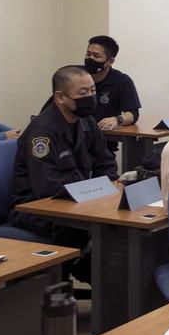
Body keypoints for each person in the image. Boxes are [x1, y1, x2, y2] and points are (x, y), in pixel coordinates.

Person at [9, 65, 118, 282]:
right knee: (82, 231)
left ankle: (93, 275)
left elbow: (105, 161)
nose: (90, 97)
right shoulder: (42, 132)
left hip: (77, 202)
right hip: (37, 209)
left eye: (93, 91)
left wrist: (108, 185)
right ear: (60, 97)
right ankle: (66, 281)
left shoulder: (85, 120)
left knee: (117, 229)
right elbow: (48, 186)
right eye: (83, 93)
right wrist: (93, 194)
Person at [83, 35, 141, 133]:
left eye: (96, 56)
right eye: (88, 54)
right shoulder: (74, 76)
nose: (90, 59)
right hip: (75, 137)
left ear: (110, 61)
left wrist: (117, 120)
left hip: (104, 137)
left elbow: (133, 113)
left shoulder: (122, 81)